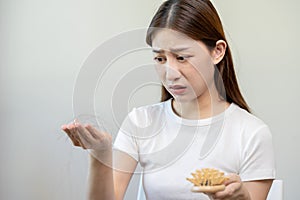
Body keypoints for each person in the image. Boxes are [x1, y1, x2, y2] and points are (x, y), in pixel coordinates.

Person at [61, 0, 275, 199]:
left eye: (182, 57)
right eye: (160, 58)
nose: (170, 73)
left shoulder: (251, 133)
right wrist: (101, 155)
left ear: (217, 52)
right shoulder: (141, 122)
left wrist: (241, 197)